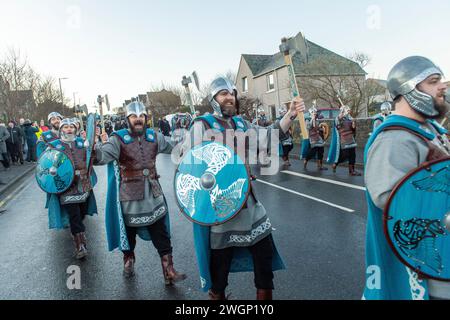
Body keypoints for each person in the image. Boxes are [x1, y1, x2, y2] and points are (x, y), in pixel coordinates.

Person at [179, 76, 305, 300]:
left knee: (264, 265)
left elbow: (268, 136)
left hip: (249, 203)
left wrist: (290, 114)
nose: (230, 97)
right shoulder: (202, 125)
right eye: (223, 93)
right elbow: (189, 163)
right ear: (214, 99)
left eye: (232, 93)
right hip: (221, 209)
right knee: (219, 274)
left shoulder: (240, 123)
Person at [363, 56, 450, 300]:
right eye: (434, 82)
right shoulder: (394, 139)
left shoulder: (429, 129)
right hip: (428, 266)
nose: (442, 86)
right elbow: (392, 201)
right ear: (410, 89)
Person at [95, 102, 187, 284]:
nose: (138, 119)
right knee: (128, 233)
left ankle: (168, 269)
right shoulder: (117, 138)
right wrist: (93, 148)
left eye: (142, 116)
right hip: (129, 195)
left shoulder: (154, 136)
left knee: (161, 232)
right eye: (134, 116)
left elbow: (174, 149)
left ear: (146, 118)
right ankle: (128, 260)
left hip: (153, 193)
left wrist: (188, 142)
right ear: (128, 119)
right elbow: (103, 156)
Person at [41, 118, 98, 259]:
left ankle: (80, 233)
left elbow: (93, 159)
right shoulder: (54, 146)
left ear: (75, 129)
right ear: (61, 130)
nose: (68, 129)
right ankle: (80, 244)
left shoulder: (82, 143)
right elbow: (46, 165)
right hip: (66, 186)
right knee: (74, 215)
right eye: (65, 127)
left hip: (83, 184)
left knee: (83, 212)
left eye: (71, 127)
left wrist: (94, 146)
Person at [327, 106, 361, 176]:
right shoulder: (339, 118)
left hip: (351, 139)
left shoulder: (349, 118)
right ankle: (335, 164)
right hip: (344, 139)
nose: (349, 112)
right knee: (344, 155)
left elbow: (353, 129)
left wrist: (353, 123)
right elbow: (337, 123)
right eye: (347, 110)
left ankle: (352, 171)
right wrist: (342, 112)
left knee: (353, 155)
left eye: (349, 110)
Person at [302, 106, 328, 170]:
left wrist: (322, 129)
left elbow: (317, 127)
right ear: (310, 113)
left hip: (318, 137)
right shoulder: (307, 119)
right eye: (314, 113)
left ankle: (320, 165)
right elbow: (309, 127)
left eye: (315, 113)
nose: (315, 114)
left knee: (321, 151)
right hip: (312, 137)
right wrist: (312, 119)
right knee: (313, 151)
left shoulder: (317, 120)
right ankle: (306, 159)